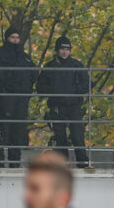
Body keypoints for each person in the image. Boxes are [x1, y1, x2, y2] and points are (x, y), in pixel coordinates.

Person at [36, 36, 90, 168]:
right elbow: (40, 87)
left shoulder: (77, 65)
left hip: (74, 105)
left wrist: (73, 91)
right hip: (57, 105)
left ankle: (83, 163)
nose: (65, 52)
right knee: (60, 137)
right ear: (57, 50)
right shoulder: (50, 67)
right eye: (62, 49)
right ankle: (62, 165)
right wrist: (55, 91)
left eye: (67, 49)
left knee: (77, 135)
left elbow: (87, 84)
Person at [0, 27, 37, 168]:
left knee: (18, 130)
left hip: (22, 98)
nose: (15, 40)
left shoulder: (24, 57)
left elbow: (34, 73)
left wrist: (28, 87)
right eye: (12, 37)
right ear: (7, 38)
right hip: (6, 96)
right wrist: (8, 80)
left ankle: (15, 161)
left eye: (17, 38)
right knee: (3, 128)